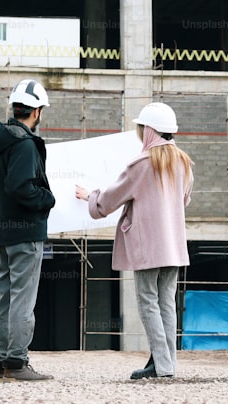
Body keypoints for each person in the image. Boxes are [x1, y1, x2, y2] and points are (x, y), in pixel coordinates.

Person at [75, 102, 193, 380]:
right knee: (166, 303)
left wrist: (90, 196)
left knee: (148, 302)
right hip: (174, 244)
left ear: (149, 130)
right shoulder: (185, 162)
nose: (140, 132)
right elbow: (184, 200)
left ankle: (162, 366)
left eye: (141, 128)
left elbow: (108, 201)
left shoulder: (142, 164)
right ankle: (166, 364)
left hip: (147, 245)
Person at [0, 78, 55, 382]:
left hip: (5, 230)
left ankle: (0, 362)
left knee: (6, 295)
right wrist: (47, 199)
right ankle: (17, 362)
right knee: (23, 300)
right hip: (26, 233)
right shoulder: (25, 144)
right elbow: (20, 187)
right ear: (36, 111)